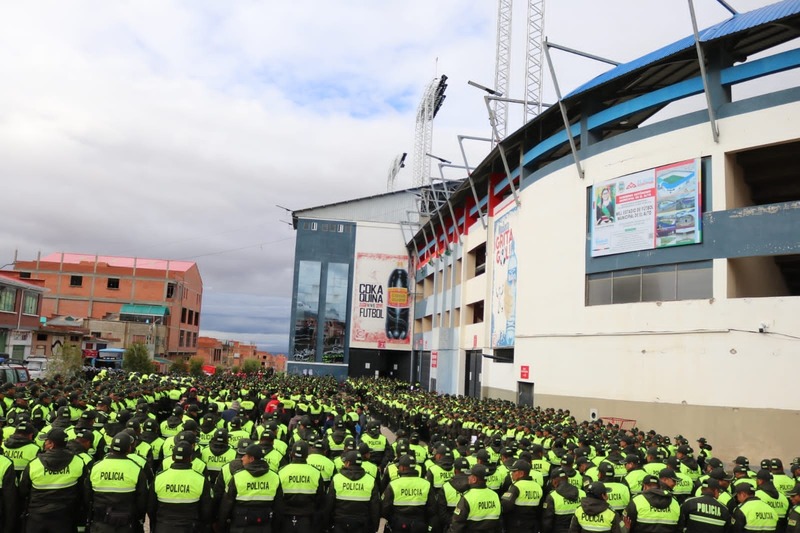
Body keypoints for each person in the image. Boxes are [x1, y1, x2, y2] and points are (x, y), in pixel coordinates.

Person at [19, 427, 88, 533]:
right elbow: (83, 491)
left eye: (46, 441)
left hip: (37, 518)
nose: (44, 443)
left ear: (51, 444)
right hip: (65, 517)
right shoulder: (78, 462)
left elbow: (23, 490)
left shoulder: (34, 464)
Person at [85, 431, 148, 533]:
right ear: (129, 449)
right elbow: (142, 499)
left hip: (100, 523)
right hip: (126, 524)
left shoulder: (96, 467)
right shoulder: (136, 469)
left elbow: (87, 495)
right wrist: (138, 518)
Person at [148, 441, 212, 532]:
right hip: (190, 528)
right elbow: (206, 510)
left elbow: (151, 507)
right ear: (190, 458)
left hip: (163, 527)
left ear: (173, 457)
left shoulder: (159, 478)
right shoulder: (200, 479)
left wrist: (157, 524)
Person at [218, 443, 283, 533]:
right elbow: (278, 508)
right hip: (265, 527)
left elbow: (227, 505)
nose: (242, 458)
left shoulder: (238, 476)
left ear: (251, 459)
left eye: (245, 456)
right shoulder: (274, 477)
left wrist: (222, 526)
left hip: (240, 527)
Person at [324, 450, 380, 533]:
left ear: (348, 463)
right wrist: (374, 527)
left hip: (340, 525)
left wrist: (327, 525)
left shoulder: (337, 479)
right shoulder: (370, 480)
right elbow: (375, 508)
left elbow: (329, 504)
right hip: (362, 525)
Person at [382, 454, 437, 533]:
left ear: (403, 467)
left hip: (398, 525)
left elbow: (384, 509)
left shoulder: (394, 484)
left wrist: (393, 519)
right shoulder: (426, 484)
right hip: (420, 524)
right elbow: (432, 509)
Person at [277, 441, 324, 532]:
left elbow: (278, 498)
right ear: (307, 455)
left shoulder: (282, 471)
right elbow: (320, 497)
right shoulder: (316, 473)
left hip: (286, 518)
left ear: (291, 454)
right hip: (308, 518)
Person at [448, 463, 501, 532]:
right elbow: (499, 521)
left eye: (470, 475)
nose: (468, 477)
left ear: (474, 479)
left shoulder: (468, 497)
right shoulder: (495, 495)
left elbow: (457, 524)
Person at [501, 459, 543, 533]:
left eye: (514, 471)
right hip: (532, 527)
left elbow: (505, 506)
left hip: (516, 527)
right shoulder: (538, 486)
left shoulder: (516, 486)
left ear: (521, 473)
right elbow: (540, 509)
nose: (512, 473)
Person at [542, 468, 585, 533]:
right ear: (567, 478)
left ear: (554, 481)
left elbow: (547, 521)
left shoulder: (553, 497)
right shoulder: (582, 493)